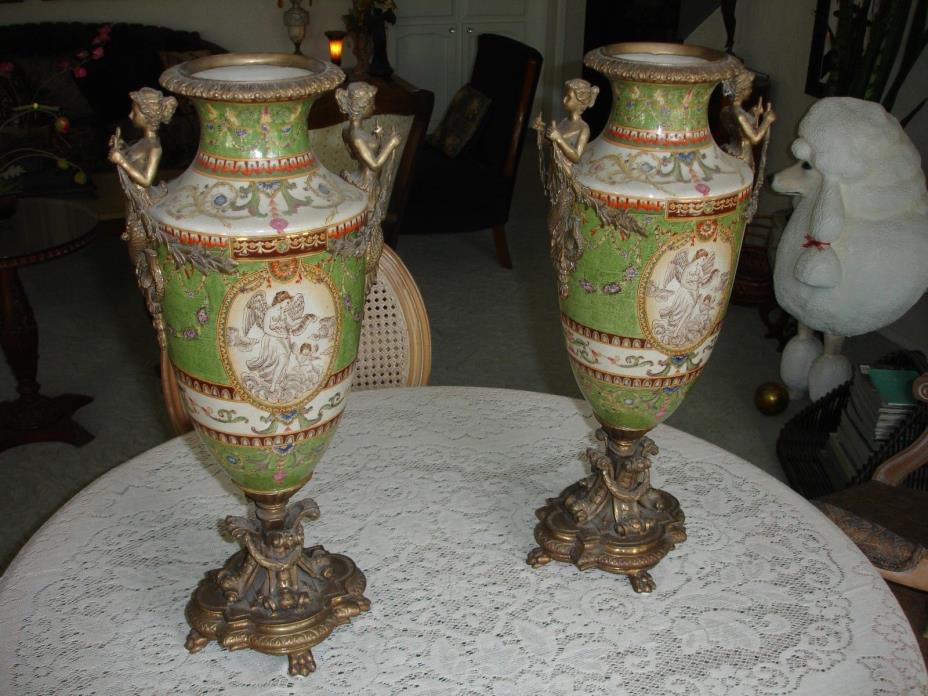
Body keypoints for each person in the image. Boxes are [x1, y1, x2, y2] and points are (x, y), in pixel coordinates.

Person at [534, 79, 599, 298]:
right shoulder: (563, 122)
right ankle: (562, 261)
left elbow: (576, 156)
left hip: (567, 182)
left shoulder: (583, 128)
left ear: (580, 102)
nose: (564, 100)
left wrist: (558, 139)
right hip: (556, 180)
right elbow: (551, 146)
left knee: (556, 223)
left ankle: (563, 268)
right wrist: (543, 134)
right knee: (554, 224)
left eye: (569, 97)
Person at [336, 81, 402, 291]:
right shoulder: (355, 136)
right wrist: (391, 144)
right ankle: (362, 275)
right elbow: (373, 164)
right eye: (373, 103)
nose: (375, 107)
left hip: (364, 179)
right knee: (368, 229)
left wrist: (376, 139)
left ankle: (364, 270)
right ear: (363, 107)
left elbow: (357, 155)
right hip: (367, 183)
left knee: (368, 227)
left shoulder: (349, 131)